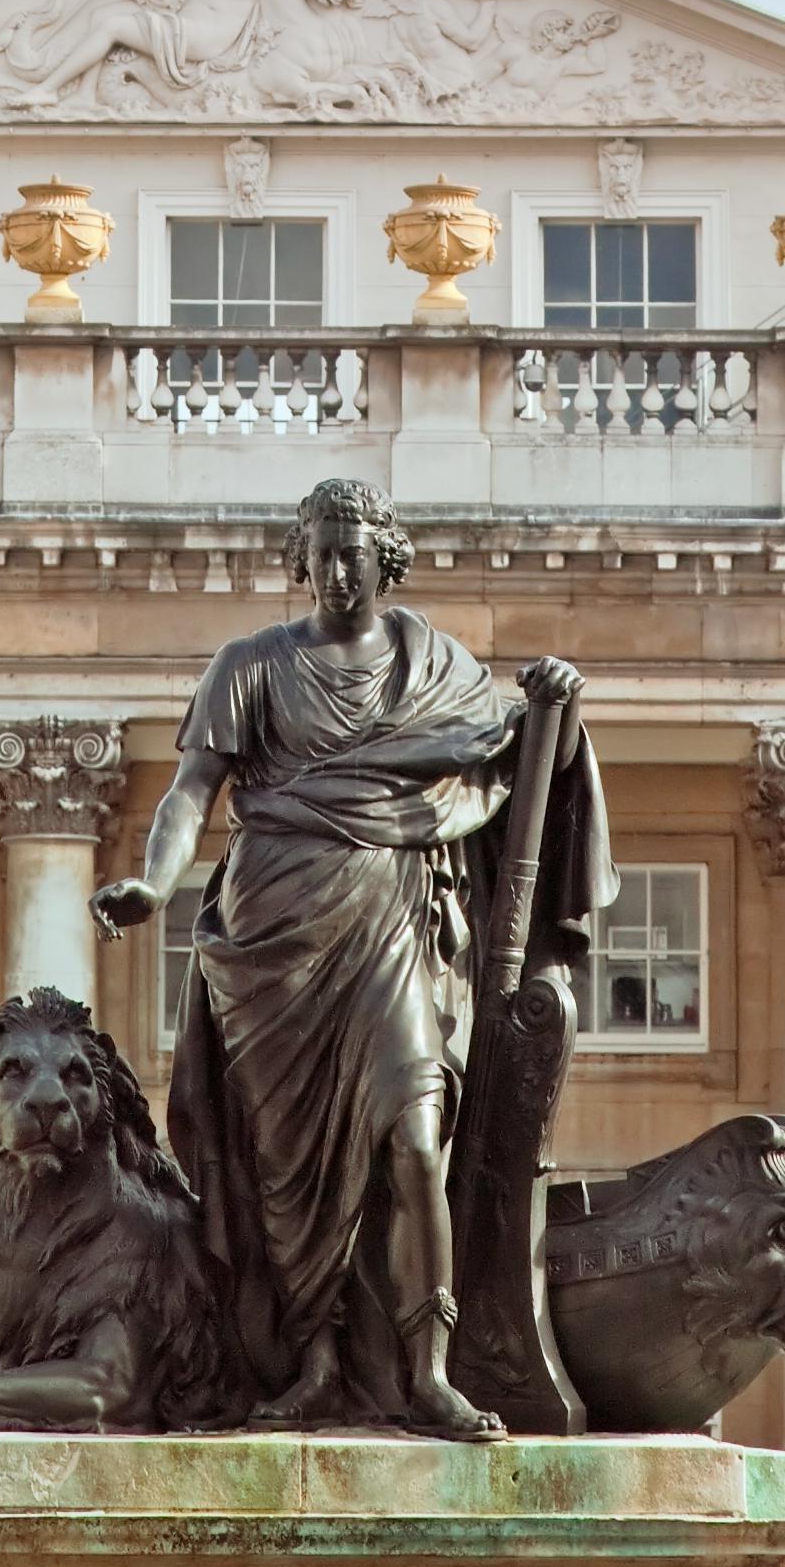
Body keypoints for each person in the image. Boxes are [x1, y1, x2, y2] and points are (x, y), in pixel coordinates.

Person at [96, 478, 595, 1437]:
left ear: (385, 559)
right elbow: (188, 794)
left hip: (389, 923)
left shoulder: (436, 665)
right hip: (270, 938)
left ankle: (430, 1370)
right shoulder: (247, 665)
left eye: (350, 553)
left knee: (414, 1140)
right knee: (282, 1177)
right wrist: (155, 885)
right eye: (318, 554)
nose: (332, 570)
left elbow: (500, 752)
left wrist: (552, 709)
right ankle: (314, 1362)